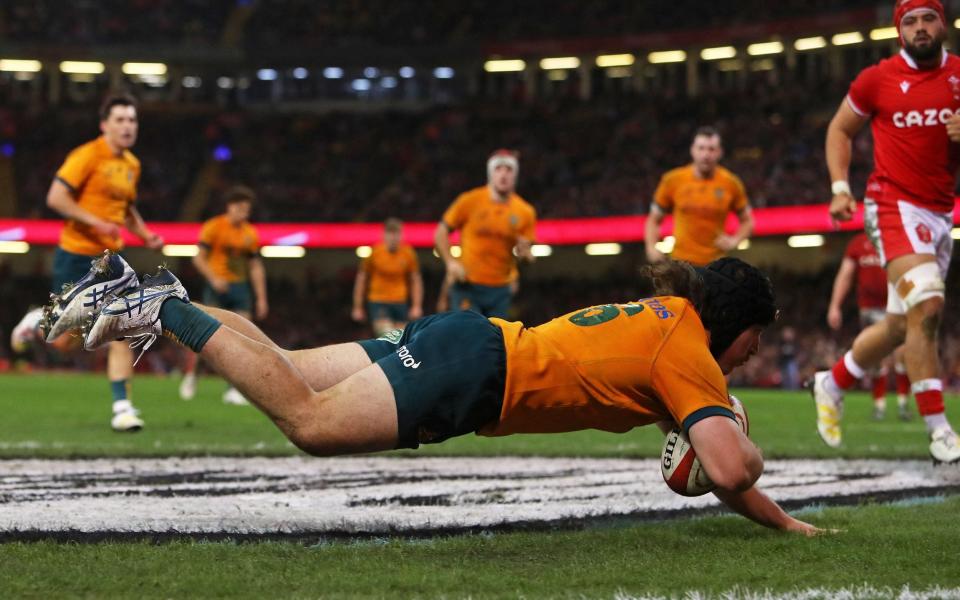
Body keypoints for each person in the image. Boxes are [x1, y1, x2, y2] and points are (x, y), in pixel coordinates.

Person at [76, 254, 825, 535]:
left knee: (287, 365)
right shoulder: (690, 351)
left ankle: (163, 294)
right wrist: (733, 424)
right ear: (738, 323)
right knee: (308, 422)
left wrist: (785, 525)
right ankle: (163, 310)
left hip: (472, 342)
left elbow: (722, 476)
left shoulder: (669, 327)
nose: (750, 359)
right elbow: (727, 469)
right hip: (478, 377)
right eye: (752, 345)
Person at [812, 0, 960, 462]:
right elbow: (840, 129)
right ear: (899, 30)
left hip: (939, 214)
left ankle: (832, 381)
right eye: (909, 21)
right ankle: (938, 429)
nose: (919, 27)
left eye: (927, 18)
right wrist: (840, 187)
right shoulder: (876, 79)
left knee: (901, 326)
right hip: (890, 204)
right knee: (927, 302)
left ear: (944, 24)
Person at [11, 92, 163, 432]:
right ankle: (38, 319)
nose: (127, 126)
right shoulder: (86, 155)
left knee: (124, 327)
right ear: (104, 125)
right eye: (120, 120)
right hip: (76, 255)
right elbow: (56, 197)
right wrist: (94, 222)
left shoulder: (132, 165)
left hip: (111, 261)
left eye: (132, 120)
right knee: (64, 343)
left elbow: (127, 209)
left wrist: (146, 234)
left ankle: (122, 409)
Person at [179, 185, 268, 405]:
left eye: (247, 210)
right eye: (241, 208)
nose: (245, 213)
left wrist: (262, 297)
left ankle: (233, 389)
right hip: (217, 287)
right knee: (208, 339)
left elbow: (256, 266)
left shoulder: (250, 233)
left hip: (240, 289)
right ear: (230, 206)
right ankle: (193, 375)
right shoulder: (214, 227)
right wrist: (213, 278)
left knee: (242, 339)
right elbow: (198, 258)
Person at [434, 149, 536, 319]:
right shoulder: (470, 201)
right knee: (467, 332)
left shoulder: (525, 212)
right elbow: (440, 232)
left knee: (493, 340)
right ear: (490, 173)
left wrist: (525, 256)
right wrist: (450, 262)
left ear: (515, 175)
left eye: (509, 170)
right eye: (498, 169)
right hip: (467, 283)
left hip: (501, 289)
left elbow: (526, 256)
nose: (503, 174)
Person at [825, 233, 911, 421]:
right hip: (869, 308)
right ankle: (879, 405)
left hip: (897, 306)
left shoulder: (897, 237)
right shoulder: (857, 244)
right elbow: (845, 275)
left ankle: (903, 403)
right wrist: (834, 305)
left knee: (903, 354)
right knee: (875, 358)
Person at [645, 126, 754, 266]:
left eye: (711, 149)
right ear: (692, 150)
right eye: (701, 148)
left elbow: (748, 221)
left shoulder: (731, 183)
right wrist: (651, 247)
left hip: (716, 266)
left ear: (720, 152)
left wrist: (735, 240)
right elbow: (653, 219)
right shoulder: (672, 180)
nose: (706, 155)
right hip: (681, 264)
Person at [351, 218, 423, 337]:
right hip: (378, 300)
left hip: (400, 301)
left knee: (400, 338)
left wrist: (416, 305)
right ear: (384, 235)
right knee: (387, 335)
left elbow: (415, 280)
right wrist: (357, 306)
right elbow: (362, 279)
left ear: (401, 235)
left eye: (397, 234)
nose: (393, 238)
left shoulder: (408, 253)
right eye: (390, 234)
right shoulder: (375, 252)